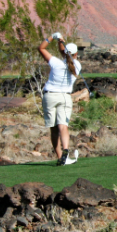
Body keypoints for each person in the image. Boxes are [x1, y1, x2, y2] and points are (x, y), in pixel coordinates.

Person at [39, 33, 81, 166]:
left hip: (50, 96)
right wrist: (60, 42)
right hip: (65, 97)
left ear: (64, 52)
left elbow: (41, 48)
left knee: (53, 128)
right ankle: (66, 152)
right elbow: (65, 54)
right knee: (63, 126)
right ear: (76, 54)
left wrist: (52, 37)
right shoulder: (77, 66)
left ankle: (59, 157)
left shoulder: (56, 63)